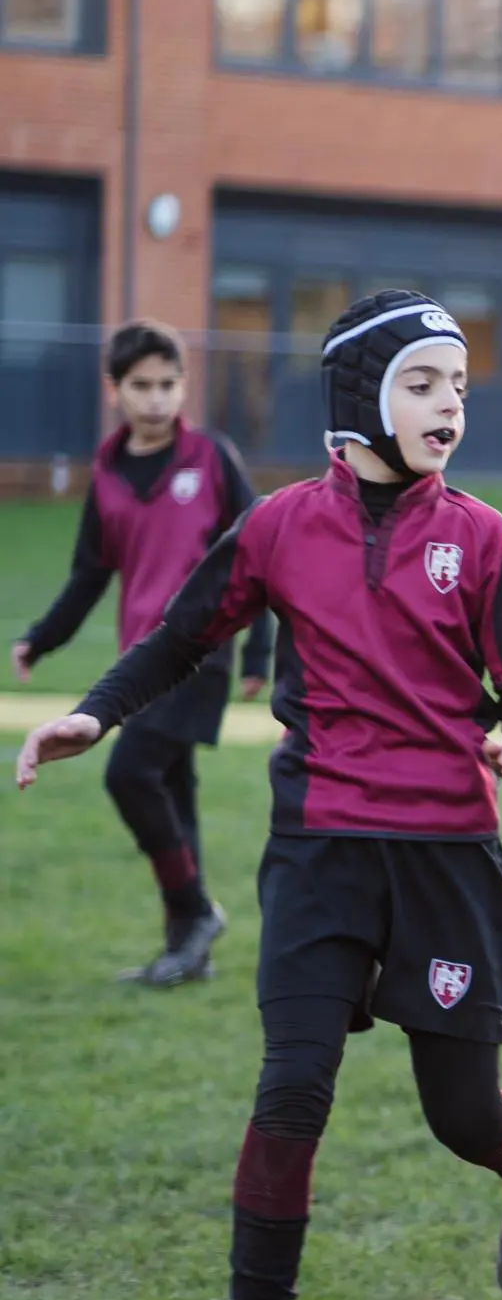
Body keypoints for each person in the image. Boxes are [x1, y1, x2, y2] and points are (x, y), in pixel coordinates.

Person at [15, 290, 502, 1300]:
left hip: (447, 858)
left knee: (461, 1116)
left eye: (459, 388)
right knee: (292, 1087)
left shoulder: (480, 537)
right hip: (320, 849)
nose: (447, 407)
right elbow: (180, 633)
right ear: (359, 397)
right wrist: (94, 715)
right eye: (422, 384)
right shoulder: (278, 527)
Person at [13, 320, 271, 986]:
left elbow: (267, 553)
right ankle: (189, 950)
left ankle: (193, 913)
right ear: (115, 390)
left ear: (183, 386)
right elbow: (89, 574)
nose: (156, 398)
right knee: (173, 793)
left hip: (201, 653)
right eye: (141, 385)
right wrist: (42, 638)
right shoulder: (105, 473)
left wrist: (256, 657)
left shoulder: (213, 458)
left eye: (168, 384)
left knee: (128, 773)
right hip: (142, 662)